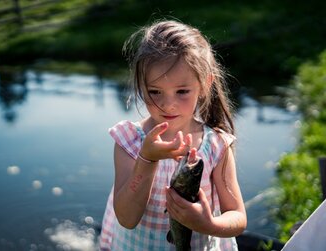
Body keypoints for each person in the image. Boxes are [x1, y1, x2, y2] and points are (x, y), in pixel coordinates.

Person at [99, 19, 247, 251]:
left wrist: (209, 224)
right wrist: (147, 159)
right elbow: (127, 219)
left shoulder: (217, 145)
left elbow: (237, 217)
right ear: (141, 85)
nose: (168, 105)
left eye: (182, 91)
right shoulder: (129, 140)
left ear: (205, 85)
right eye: (155, 92)